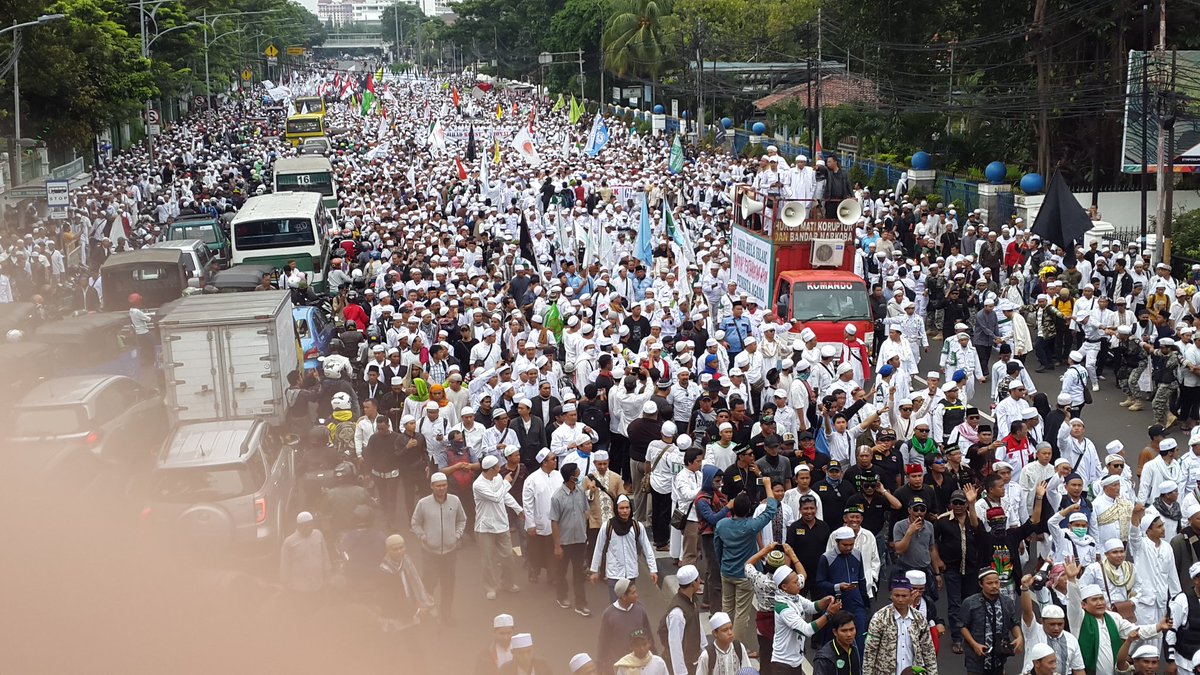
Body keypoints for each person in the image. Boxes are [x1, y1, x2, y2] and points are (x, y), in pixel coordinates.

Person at [1063, 557, 1173, 675]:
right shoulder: (1079, 618)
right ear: (1084, 604)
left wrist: (1158, 626)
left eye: (1101, 599)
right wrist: (1071, 580)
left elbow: (1135, 631)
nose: (1100, 603)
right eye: (1094, 600)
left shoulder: (1113, 617)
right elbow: (1073, 602)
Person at [714, 479, 778, 649]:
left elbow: (717, 548)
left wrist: (722, 565)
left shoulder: (722, 524)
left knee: (727, 607)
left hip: (727, 571)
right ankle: (734, 647)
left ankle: (721, 641)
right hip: (744, 575)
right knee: (742, 613)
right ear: (749, 510)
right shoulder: (751, 525)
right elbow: (771, 509)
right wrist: (767, 486)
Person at [410, 471, 466, 623]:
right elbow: (415, 523)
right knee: (429, 582)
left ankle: (446, 615)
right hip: (430, 552)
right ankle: (426, 611)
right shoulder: (423, 503)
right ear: (432, 487)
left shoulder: (455, 501)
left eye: (444, 485)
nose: (441, 488)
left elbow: (462, 520)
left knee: (448, 584)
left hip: (450, 551)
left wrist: (457, 535)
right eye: (438, 486)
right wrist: (423, 536)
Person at [772, 563, 843, 675]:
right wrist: (828, 614)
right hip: (783, 664)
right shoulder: (783, 608)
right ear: (784, 587)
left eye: (798, 580)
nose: (799, 584)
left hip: (795, 660)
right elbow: (806, 630)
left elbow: (811, 607)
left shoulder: (794, 596)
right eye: (795, 582)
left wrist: (824, 601)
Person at [861, 577, 938, 675]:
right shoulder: (879, 618)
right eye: (897, 595)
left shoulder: (919, 619)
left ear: (910, 595)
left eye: (904, 596)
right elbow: (870, 652)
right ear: (891, 595)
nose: (900, 599)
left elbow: (928, 651)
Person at [474, 454, 524, 600]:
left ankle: (506, 583)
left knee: (508, 556)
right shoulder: (478, 485)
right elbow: (496, 497)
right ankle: (490, 586)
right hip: (485, 527)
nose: (499, 469)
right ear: (490, 469)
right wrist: (506, 482)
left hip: (501, 524)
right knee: (488, 559)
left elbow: (505, 496)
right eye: (497, 467)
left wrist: (518, 509)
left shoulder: (497, 479)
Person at [590, 495, 659, 599]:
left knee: (630, 605)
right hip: (614, 574)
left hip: (630, 574)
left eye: (627, 508)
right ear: (616, 509)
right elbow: (598, 549)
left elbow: (647, 548)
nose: (625, 511)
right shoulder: (608, 526)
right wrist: (595, 570)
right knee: (616, 606)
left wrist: (653, 569)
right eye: (621, 508)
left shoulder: (637, 526)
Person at [816, 526, 871, 654]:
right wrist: (838, 587)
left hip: (856, 603)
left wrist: (865, 602)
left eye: (851, 544)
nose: (848, 548)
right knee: (833, 641)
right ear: (837, 542)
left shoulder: (857, 554)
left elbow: (861, 579)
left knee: (859, 641)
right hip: (836, 605)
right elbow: (819, 583)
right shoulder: (826, 558)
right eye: (845, 545)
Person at [1017, 573, 1084, 675]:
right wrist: (1025, 588)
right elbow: (1027, 612)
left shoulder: (1071, 639)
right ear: (1042, 622)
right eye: (1052, 624)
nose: (1056, 628)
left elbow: (1078, 669)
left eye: (1060, 624)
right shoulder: (1034, 632)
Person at [959, 568, 1021, 675]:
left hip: (999, 657)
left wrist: (1019, 637)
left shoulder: (1007, 602)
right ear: (981, 584)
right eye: (989, 583)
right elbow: (962, 626)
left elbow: (1013, 622)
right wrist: (974, 644)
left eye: (997, 582)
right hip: (976, 659)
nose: (994, 586)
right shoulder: (970, 603)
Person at [551, 461, 592, 617]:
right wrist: (557, 546)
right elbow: (554, 522)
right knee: (561, 572)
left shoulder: (581, 491)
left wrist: (583, 530)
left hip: (580, 541)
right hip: (564, 542)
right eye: (577, 473)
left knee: (579, 573)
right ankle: (562, 596)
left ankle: (581, 603)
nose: (579, 475)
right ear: (571, 477)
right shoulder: (557, 497)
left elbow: (585, 512)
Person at [597, 580, 656, 675]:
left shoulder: (640, 609)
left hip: (639, 662)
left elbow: (648, 633)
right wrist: (600, 664)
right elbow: (603, 641)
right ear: (624, 596)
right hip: (619, 664)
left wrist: (654, 653)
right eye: (633, 593)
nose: (636, 595)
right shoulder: (609, 614)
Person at [524, 449, 563, 583]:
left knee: (553, 550)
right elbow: (528, 504)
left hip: (556, 522)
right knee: (536, 551)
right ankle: (534, 571)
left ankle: (553, 576)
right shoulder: (532, 479)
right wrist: (530, 524)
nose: (556, 461)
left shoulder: (558, 476)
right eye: (553, 459)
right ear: (544, 462)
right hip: (540, 522)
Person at [659, 564, 706, 675]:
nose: (700, 581)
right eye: (698, 579)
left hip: (694, 662)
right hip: (685, 666)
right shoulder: (677, 613)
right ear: (693, 583)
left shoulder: (691, 600)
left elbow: (698, 626)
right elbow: (675, 646)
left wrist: (704, 652)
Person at [279, 511, 330, 606]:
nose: (309, 528)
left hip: (318, 585)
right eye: (306, 526)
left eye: (311, 525)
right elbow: (285, 565)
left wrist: (327, 575)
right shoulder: (289, 542)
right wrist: (284, 584)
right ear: (299, 526)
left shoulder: (318, 535)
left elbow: (325, 556)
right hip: (299, 589)